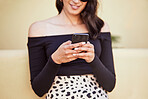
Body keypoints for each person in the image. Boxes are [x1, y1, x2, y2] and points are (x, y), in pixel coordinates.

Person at [27, 0, 116, 99]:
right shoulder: (39, 29)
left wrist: (92, 59)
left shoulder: (100, 27)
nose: (76, 1)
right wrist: (55, 60)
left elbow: (110, 85)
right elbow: (39, 90)